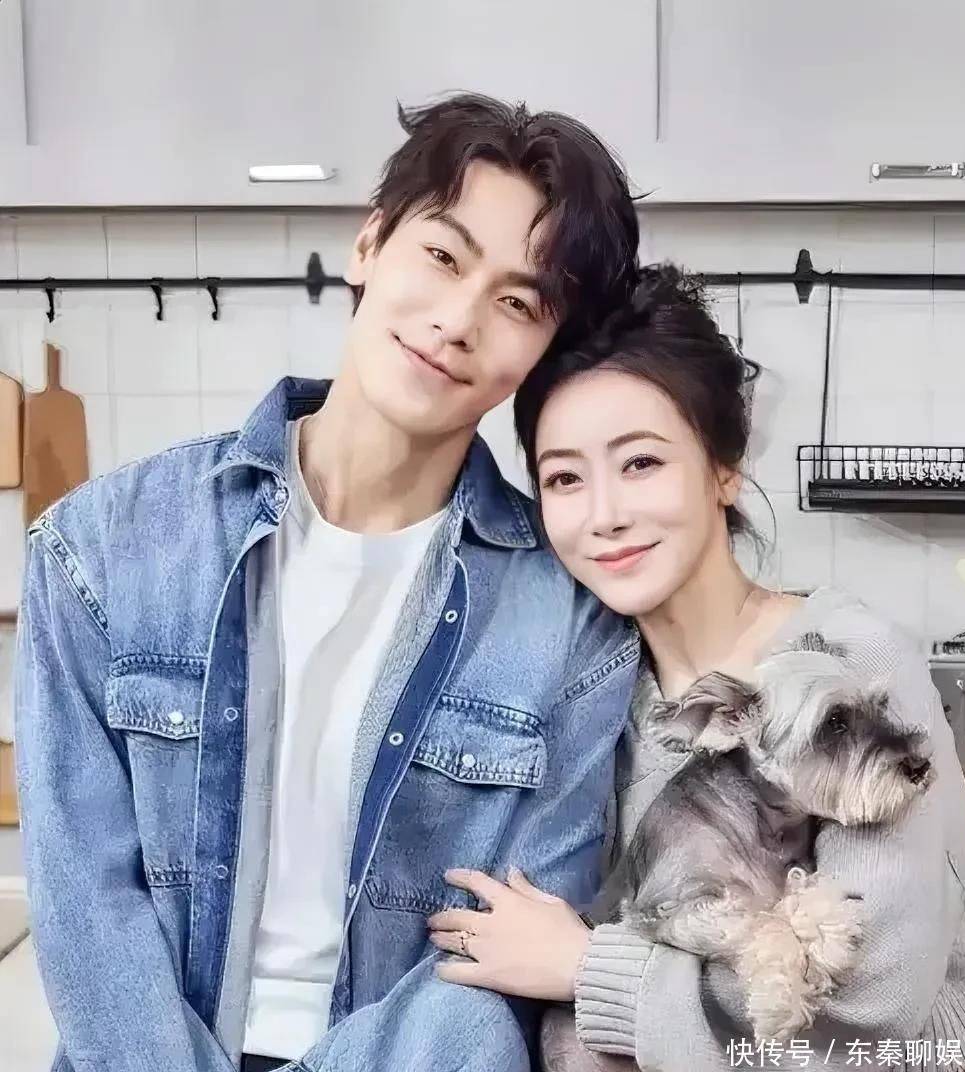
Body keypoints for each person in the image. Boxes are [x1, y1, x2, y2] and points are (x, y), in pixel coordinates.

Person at [13, 94, 643, 1072]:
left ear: (539, 354)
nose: (458, 320)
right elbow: (86, 907)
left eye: (517, 303)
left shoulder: (573, 622)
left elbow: (497, 958)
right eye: (443, 256)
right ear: (368, 244)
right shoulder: (99, 547)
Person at [428, 265, 965, 1071]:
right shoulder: (594, 695)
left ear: (724, 468)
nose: (604, 514)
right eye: (564, 477)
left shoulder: (850, 664)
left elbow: (872, 1002)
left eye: (641, 463)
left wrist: (585, 969)